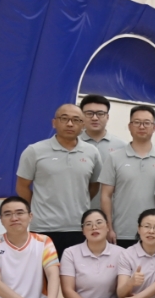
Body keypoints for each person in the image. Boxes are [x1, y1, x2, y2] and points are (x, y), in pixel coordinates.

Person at [16, 103, 104, 256]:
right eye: (64, 118)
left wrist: (77, 201)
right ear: (54, 122)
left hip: (80, 226)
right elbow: (22, 187)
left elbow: (94, 185)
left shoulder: (92, 152)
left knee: (77, 271)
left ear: (83, 125)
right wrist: (37, 209)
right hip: (44, 227)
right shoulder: (34, 151)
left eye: (76, 120)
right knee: (46, 271)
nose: (70, 124)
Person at [99, 106, 155, 248]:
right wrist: (109, 228)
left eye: (146, 123)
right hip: (122, 232)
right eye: (137, 122)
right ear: (129, 126)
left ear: (154, 128)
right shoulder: (114, 158)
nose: (141, 127)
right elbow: (106, 195)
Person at [78, 95, 127, 188]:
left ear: (107, 117)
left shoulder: (122, 146)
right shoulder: (73, 143)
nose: (95, 118)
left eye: (100, 114)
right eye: (89, 113)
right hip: (81, 197)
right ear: (81, 116)